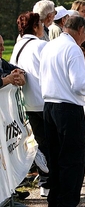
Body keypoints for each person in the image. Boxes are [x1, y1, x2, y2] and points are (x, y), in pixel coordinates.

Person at [39, 16, 85, 206]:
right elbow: (79, 84)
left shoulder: (49, 46)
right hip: (68, 109)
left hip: (50, 106)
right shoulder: (73, 49)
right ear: (80, 29)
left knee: (55, 158)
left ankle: (55, 201)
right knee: (72, 162)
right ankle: (67, 202)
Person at [10, 12, 50, 196]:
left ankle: (45, 184)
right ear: (35, 26)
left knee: (42, 142)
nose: (43, 27)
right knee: (51, 145)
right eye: (41, 24)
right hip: (44, 101)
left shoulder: (18, 46)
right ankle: (50, 183)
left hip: (26, 103)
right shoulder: (41, 46)